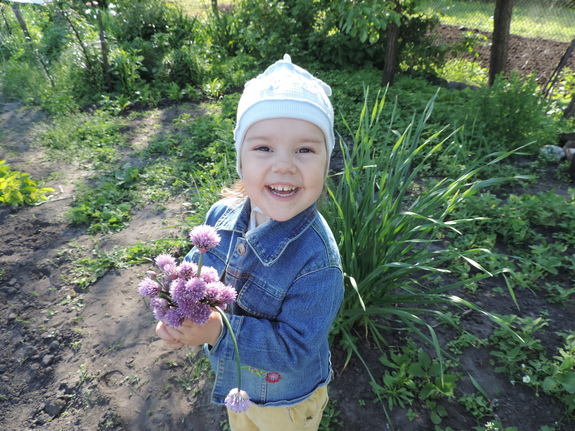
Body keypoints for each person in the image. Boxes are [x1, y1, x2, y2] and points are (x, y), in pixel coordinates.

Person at [155, 54, 344, 431]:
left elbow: (295, 348)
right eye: (263, 148)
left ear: (326, 163)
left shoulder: (318, 262)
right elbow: (194, 274)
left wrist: (217, 331)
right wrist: (173, 312)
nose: (285, 165)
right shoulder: (220, 217)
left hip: (287, 400)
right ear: (240, 158)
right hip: (237, 384)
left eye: (305, 149)